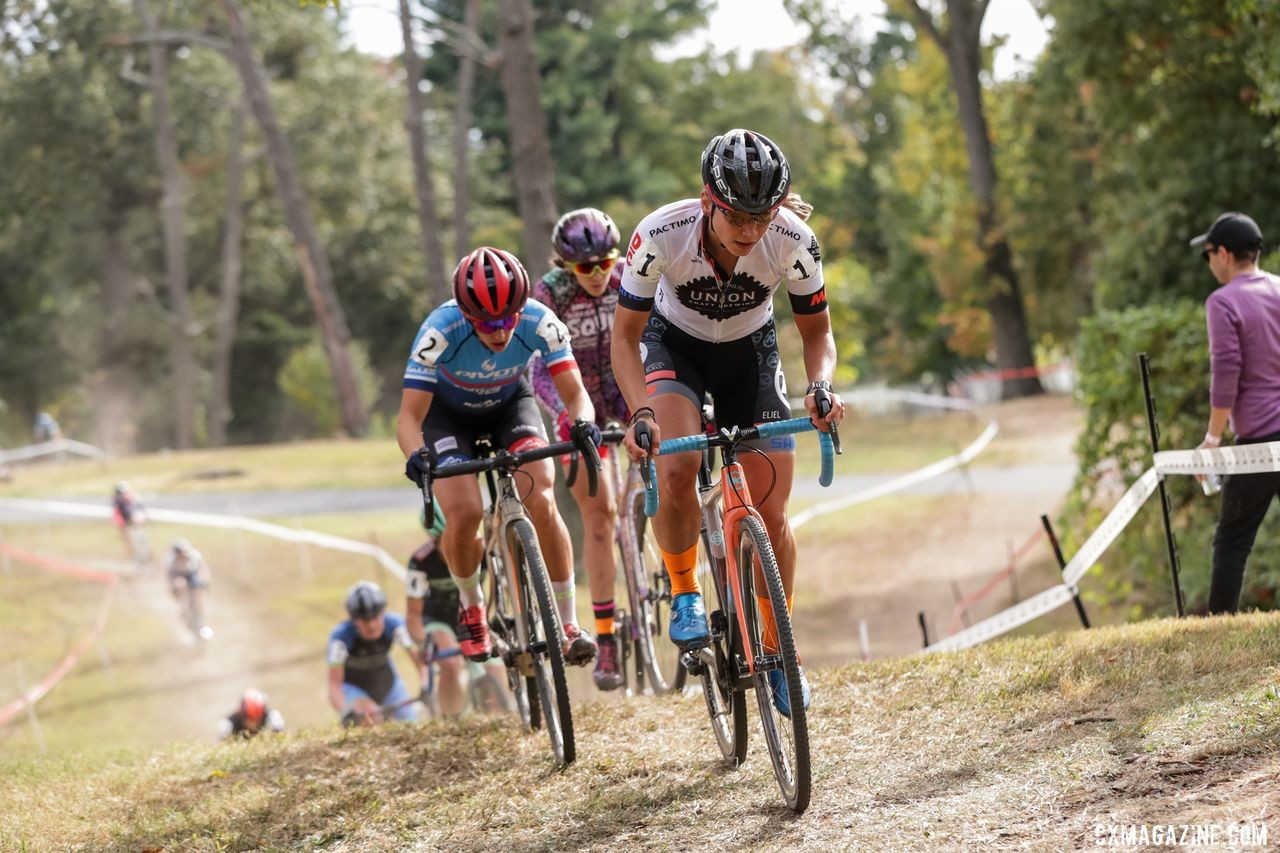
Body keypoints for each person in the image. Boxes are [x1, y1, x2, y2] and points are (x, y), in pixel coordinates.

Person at [612, 128, 846, 717]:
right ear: (707, 201)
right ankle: (686, 588)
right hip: (675, 351)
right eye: (737, 217)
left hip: (751, 356)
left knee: (771, 508)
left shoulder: (794, 240)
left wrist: (821, 387)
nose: (749, 231)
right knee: (679, 463)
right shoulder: (661, 233)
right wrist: (641, 411)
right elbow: (624, 336)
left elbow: (817, 333)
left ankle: (778, 647)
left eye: (761, 218)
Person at [397, 246, 603, 668]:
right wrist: (415, 454)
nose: (501, 330)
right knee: (466, 512)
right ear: (467, 316)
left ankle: (568, 623)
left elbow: (575, 394)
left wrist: (581, 421)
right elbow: (408, 417)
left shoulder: (539, 320)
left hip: (511, 407)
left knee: (541, 499)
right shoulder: (440, 329)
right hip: (448, 419)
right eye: (488, 323)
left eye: (509, 318)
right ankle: (472, 608)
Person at [528, 208, 631, 691]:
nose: (596, 274)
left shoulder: (629, 277)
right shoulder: (549, 293)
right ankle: (606, 638)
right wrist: (567, 418)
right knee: (600, 516)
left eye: (604, 263)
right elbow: (536, 370)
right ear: (565, 265)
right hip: (576, 407)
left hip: (629, 393)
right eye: (584, 267)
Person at [1190, 212, 1280, 614]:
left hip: (1261, 438)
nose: (1209, 263)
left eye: (1208, 254)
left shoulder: (1222, 301)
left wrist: (1213, 437)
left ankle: (1218, 627)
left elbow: (1227, 371)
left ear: (1224, 254)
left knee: (1232, 540)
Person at [405, 508, 509, 716]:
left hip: (475, 614)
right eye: (447, 540)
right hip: (438, 620)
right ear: (434, 541)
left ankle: (499, 717)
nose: (455, 545)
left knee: (496, 669)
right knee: (450, 663)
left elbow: (499, 594)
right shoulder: (421, 561)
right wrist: (422, 641)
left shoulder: (482, 549)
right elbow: (413, 616)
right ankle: (451, 719)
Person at [327, 580, 424, 726]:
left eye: (375, 617)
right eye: (365, 620)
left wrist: (426, 685)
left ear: (383, 612)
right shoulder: (340, 637)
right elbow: (334, 684)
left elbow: (420, 661)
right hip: (355, 688)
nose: (372, 625)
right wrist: (345, 711)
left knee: (411, 724)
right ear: (354, 620)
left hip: (389, 685)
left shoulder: (395, 624)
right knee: (372, 716)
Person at [166, 539, 212, 639]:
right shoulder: (170, 561)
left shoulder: (195, 556)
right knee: (179, 585)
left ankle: (199, 617)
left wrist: (205, 583)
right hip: (178, 575)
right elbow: (170, 576)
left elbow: (203, 570)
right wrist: (174, 590)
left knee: (197, 593)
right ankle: (184, 611)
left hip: (192, 574)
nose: (183, 556)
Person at [217, 688, 286, 740]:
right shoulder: (228, 724)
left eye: (257, 719)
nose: (253, 724)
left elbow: (281, 738)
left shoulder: (273, 717)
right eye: (250, 719)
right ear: (242, 716)